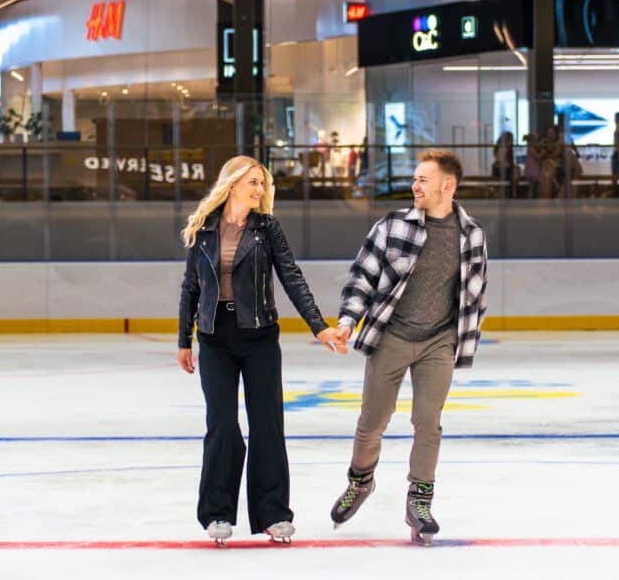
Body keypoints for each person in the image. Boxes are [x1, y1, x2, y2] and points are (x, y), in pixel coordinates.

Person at [177, 155, 346, 546]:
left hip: (259, 338)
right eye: (253, 182)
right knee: (221, 425)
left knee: (267, 424)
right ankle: (217, 513)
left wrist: (319, 326)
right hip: (215, 338)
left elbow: (291, 277)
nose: (259, 189)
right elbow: (190, 287)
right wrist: (184, 339)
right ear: (232, 183)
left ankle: (273, 514)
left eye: (262, 184)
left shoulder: (267, 228)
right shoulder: (204, 229)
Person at [329, 149, 489, 545]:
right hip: (392, 336)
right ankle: (360, 482)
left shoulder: (472, 235)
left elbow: (474, 294)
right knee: (372, 423)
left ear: (446, 187)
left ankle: (419, 501)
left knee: (427, 423)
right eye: (415, 179)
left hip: (439, 340)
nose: (414, 186)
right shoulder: (393, 225)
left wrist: (462, 337)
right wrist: (349, 320)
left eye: (423, 180)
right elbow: (362, 276)